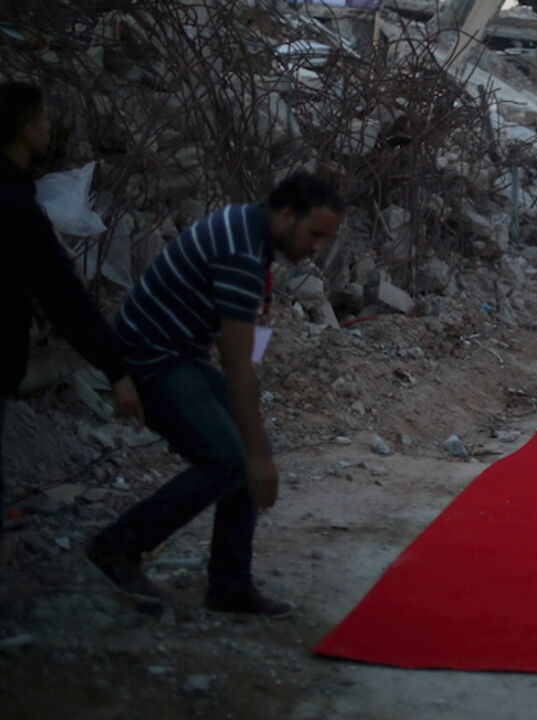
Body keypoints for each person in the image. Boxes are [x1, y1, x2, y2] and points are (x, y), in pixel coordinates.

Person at [88, 173, 344, 617]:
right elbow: (236, 363)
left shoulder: (250, 230)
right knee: (232, 458)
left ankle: (230, 587)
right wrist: (258, 451)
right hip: (150, 358)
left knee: (246, 448)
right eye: (315, 233)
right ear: (286, 215)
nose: (317, 246)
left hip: (178, 354)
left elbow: (253, 335)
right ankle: (118, 545)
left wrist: (251, 408)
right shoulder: (242, 252)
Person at [0, 82, 143, 548]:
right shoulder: (17, 208)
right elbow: (66, 296)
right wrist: (116, 370)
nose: (48, 128)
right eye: (42, 119)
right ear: (25, 130)